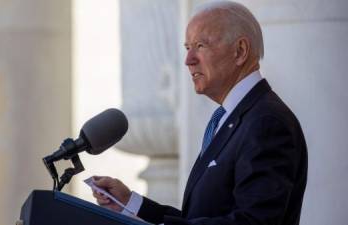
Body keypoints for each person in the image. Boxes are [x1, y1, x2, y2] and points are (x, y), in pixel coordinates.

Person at [92, 1, 308, 225]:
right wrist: (131, 203)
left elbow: (254, 222)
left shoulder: (266, 123)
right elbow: (199, 218)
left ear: (240, 51)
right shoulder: (231, 118)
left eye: (201, 46)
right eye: (187, 48)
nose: (188, 60)